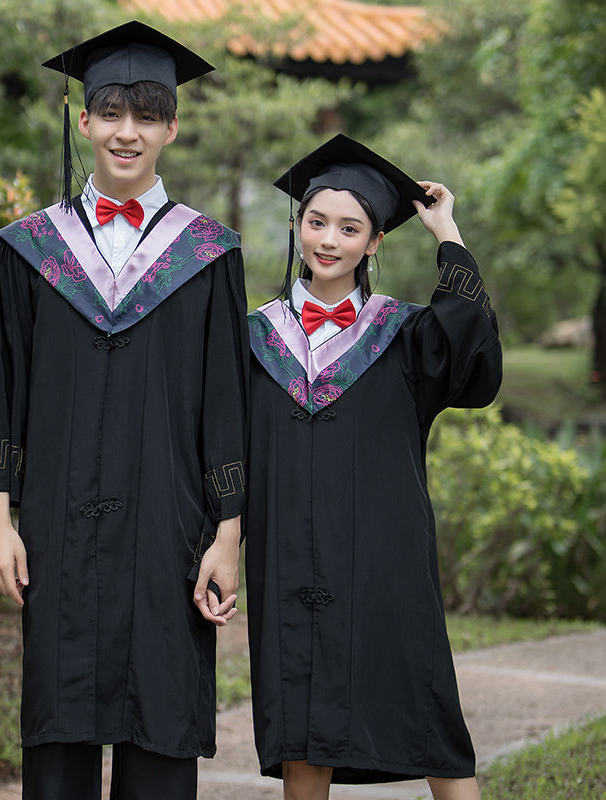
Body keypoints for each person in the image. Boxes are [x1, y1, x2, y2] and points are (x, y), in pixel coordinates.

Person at [0, 21, 248, 800]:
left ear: (171, 128)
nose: (128, 131)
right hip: (57, 523)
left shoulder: (208, 254)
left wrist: (228, 535)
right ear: (82, 119)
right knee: (59, 728)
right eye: (111, 111)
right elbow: (2, 384)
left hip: (169, 525)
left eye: (147, 113)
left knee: (160, 728)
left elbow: (227, 400)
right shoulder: (29, 249)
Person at [244, 134, 502, 800]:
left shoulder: (407, 336)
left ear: (375, 241)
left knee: (425, 702)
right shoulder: (253, 338)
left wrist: (445, 228)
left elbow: (470, 335)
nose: (329, 239)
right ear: (299, 226)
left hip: (386, 560)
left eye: (350, 227)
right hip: (291, 557)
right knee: (301, 719)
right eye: (317, 221)